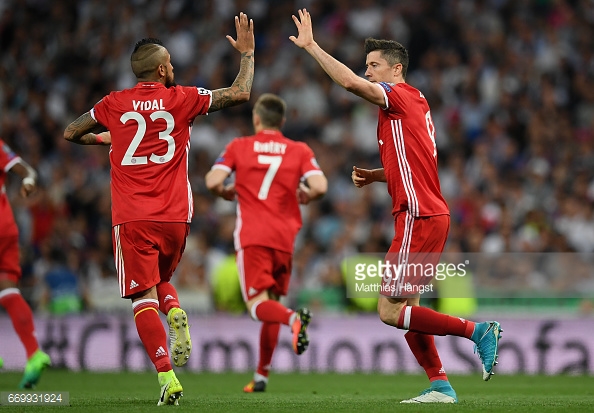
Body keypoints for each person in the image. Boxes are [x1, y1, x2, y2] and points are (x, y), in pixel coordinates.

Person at [290, 9, 502, 403]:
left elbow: (351, 84)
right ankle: (440, 385)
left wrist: (313, 47)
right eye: (366, 65)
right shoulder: (415, 103)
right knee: (411, 309)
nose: (366, 71)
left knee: (389, 310)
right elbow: (412, 164)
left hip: (418, 215)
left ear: (396, 69)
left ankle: (478, 331)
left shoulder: (399, 96)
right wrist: (375, 175)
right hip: (429, 211)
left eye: (374, 65)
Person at [63, 12, 255, 405]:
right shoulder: (182, 97)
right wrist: (248, 55)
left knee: (141, 297)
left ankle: (166, 375)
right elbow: (239, 93)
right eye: (170, 63)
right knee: (162, 281)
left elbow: (70, 131)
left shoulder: (113, 104)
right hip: (175, 215)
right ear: (163, 68)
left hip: (132, 217)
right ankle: (175, 312)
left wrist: (107, 142)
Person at [205, 93, 327, 393]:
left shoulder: (239, 146)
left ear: (256, 119)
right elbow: (320, 187)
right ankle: (261, 376)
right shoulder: (298, 149)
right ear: (282, 122)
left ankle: (294, 318)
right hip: (285, 239)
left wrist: (224, 191)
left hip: (254, 237)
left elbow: (211, 181)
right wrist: (307, 195)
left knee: (257, 306)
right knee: (270, 302)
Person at [0, 138, 52, 389]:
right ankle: (33, 353)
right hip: (7, 225)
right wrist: (29, 182)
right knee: (8, 288)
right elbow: (28, 171)